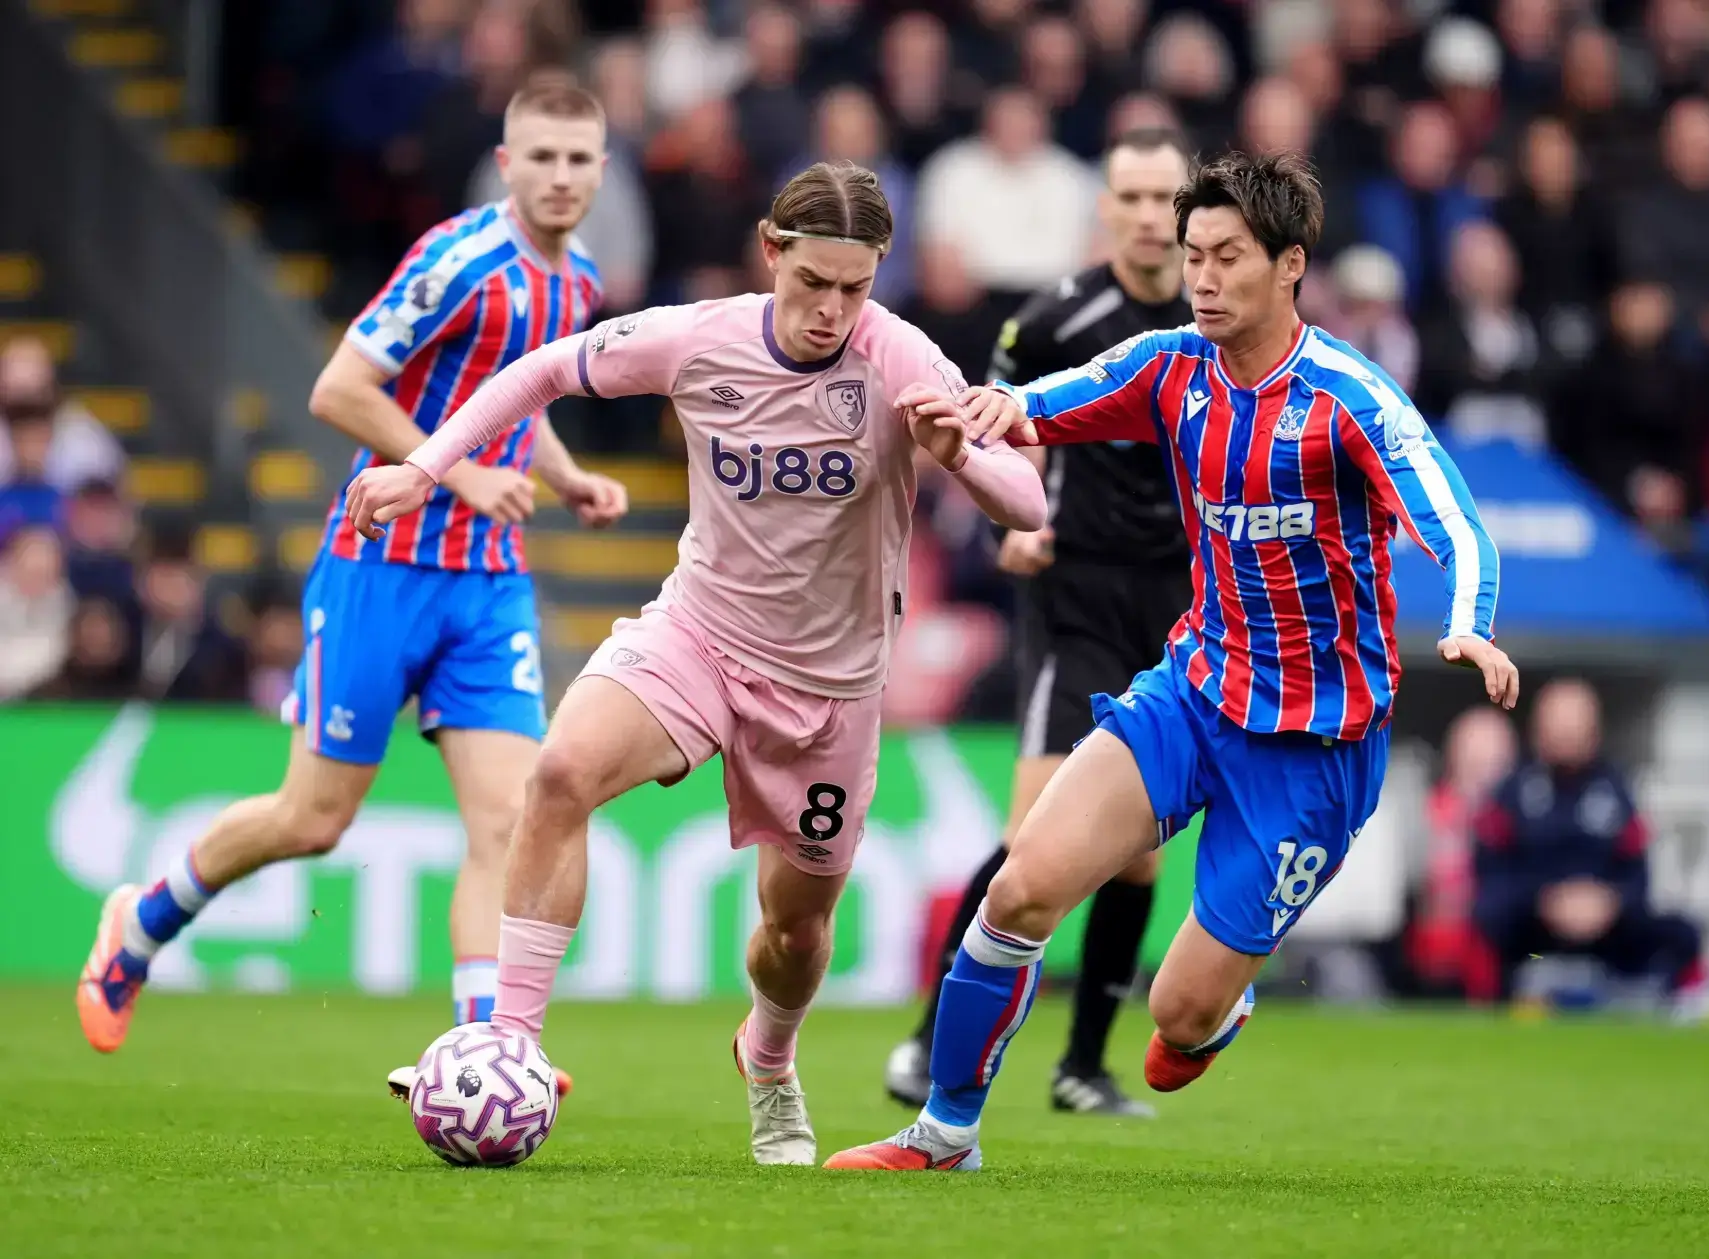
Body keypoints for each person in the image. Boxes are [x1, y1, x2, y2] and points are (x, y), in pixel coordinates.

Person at [344, 160, 1048, 1167]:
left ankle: (768, 1056)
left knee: (795, 935)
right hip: (701, 635)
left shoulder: (901, 359)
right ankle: (513, 1044)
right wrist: (424, 467)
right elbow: (542, 371)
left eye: (857, 286)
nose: (833, 309)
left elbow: (1026, 503)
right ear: (772, 252)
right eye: (814, 282)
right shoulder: (699, 338)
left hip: (829, 691)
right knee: (559, 774)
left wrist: (961, 453)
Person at [826, 150, 1518, 1173]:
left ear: (1290, 265)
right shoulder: (1170, 365)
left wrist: (1471, 620)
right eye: (1192, 255)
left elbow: (1453, 519)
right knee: (1020, 888)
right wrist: (980, 411)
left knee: (1175, 1017)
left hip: (1315, 750)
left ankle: (1212, 1009)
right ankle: (943, 1133)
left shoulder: (1349, 398)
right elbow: (1044, 401)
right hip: (1192, 693)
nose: (1201, 276)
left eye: (1226, 257)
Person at [74, 84, 628, 1099]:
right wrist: (457, 473)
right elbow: (339, 388)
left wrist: (563, 473)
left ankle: (482, 1051)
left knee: (508, 826)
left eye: (579, 160)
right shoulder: (458, 260)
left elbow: (518, 392)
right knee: (312, 815)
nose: (560, 177)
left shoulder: (578, 280)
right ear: (504, 164)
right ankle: (141, 919)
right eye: (541, 157)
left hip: (486, 585)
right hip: (382, 563)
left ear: (602, 169)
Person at [884, 127, 1195, 1119]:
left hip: (1182, 602)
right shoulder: (1056, 318)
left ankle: (1083, 1065)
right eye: (1134, 196)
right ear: (1103, 208)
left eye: (1166, 198)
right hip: (1078, 593)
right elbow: (987, 434)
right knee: (1034, 837)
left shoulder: (1214, 320)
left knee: (1139, 848)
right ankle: (930, 1036)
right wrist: (1009, 529)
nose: (1150, 215)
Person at [1469, 679, 1703, 1005]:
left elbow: (1638, 876)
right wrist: (1545, 900)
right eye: (1558, 730)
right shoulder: (1512, 794)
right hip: (1534, 935)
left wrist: (1609, 902)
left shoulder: (1617, 791)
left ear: (1593, 733)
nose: (1566, 739)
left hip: (1606, 931)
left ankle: (1671, 1001)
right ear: (1538, 731)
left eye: (1575, 731)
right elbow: (1490, 878)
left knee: (1683, 932)